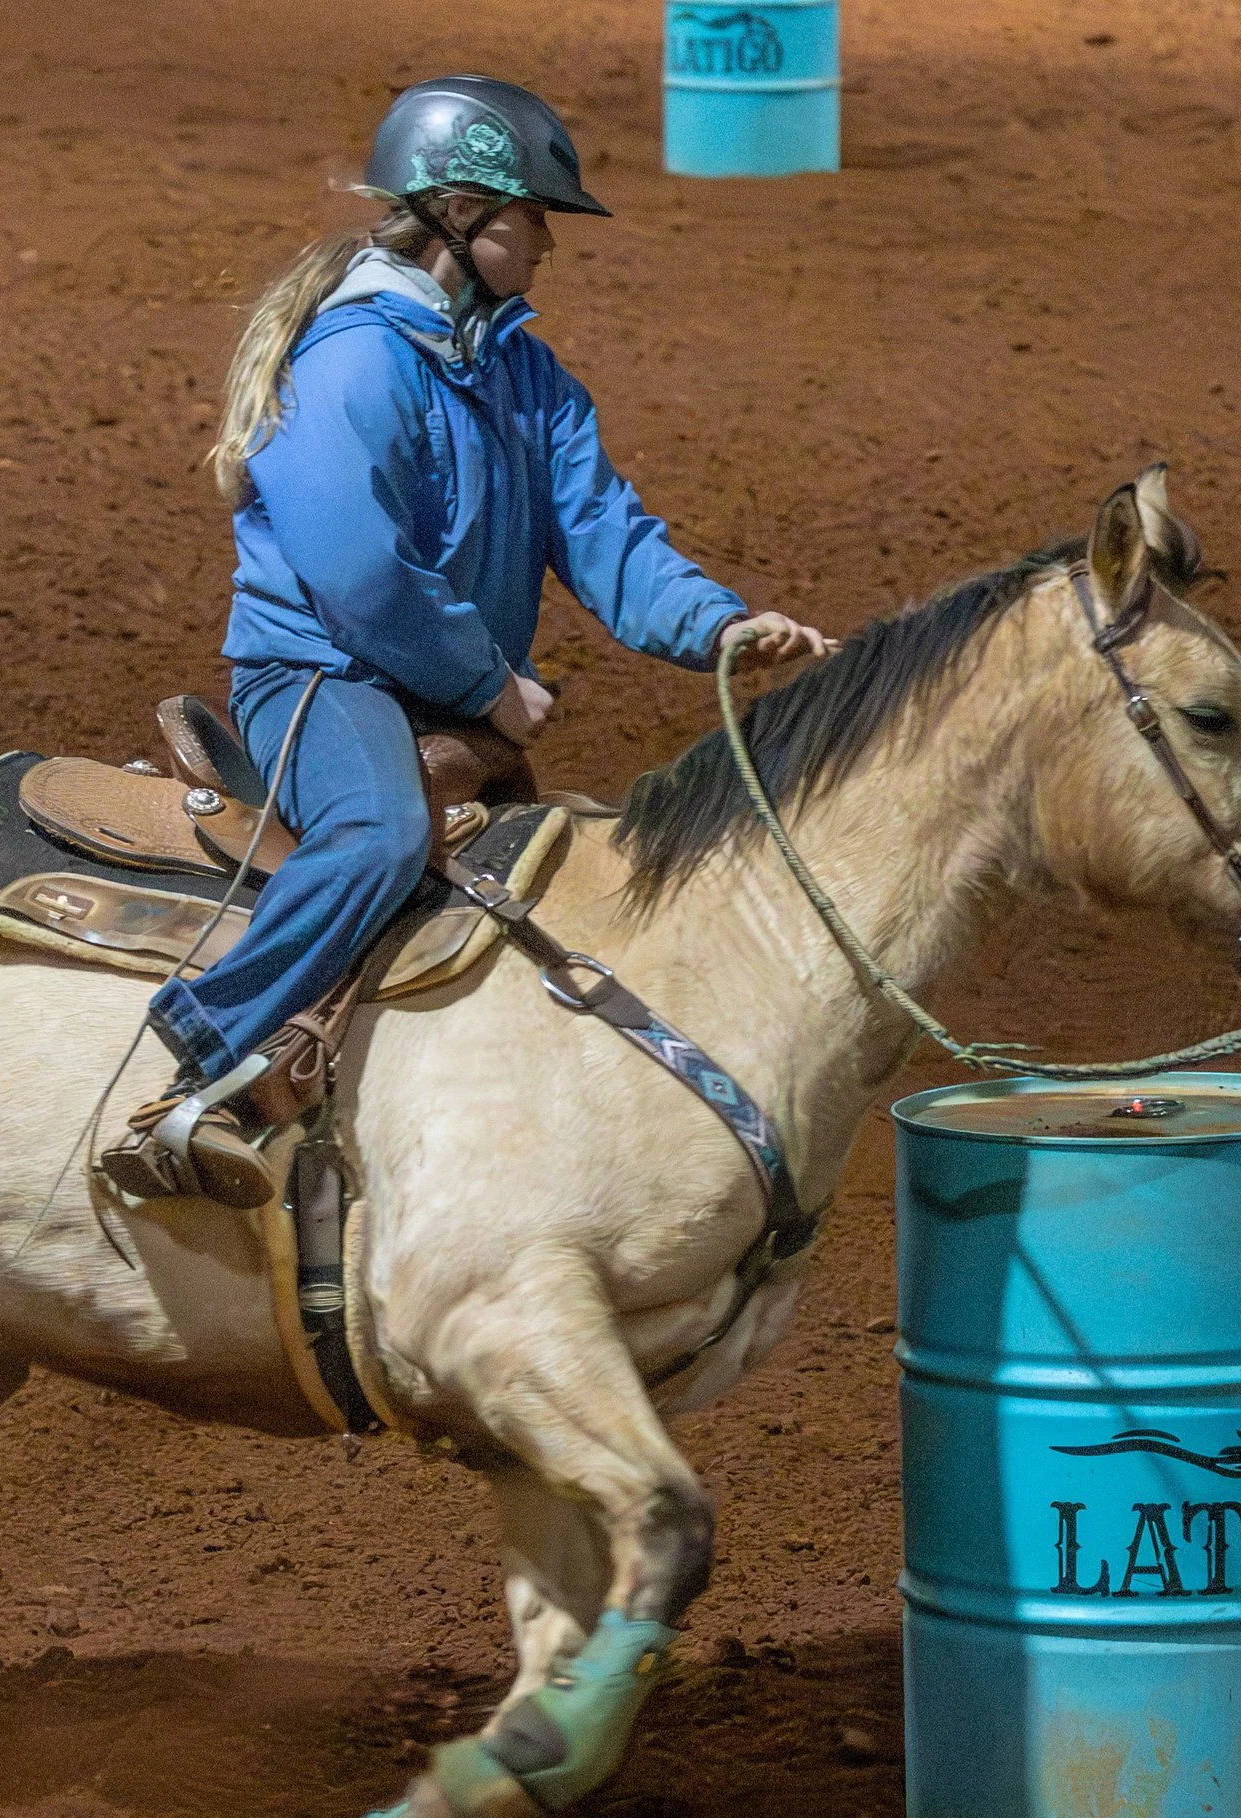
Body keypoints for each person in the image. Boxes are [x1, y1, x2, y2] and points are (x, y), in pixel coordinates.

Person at [99, 75, 833, 1208]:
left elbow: (602, 532)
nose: (548, 240)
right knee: (378, 836)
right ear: (458, 212)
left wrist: (717, 625)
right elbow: (358, 575)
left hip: (433, 685)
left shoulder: (522, 372)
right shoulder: (350, 360)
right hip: (321, 676)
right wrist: (488, 686)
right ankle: (204, 1053)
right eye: (533, 215)